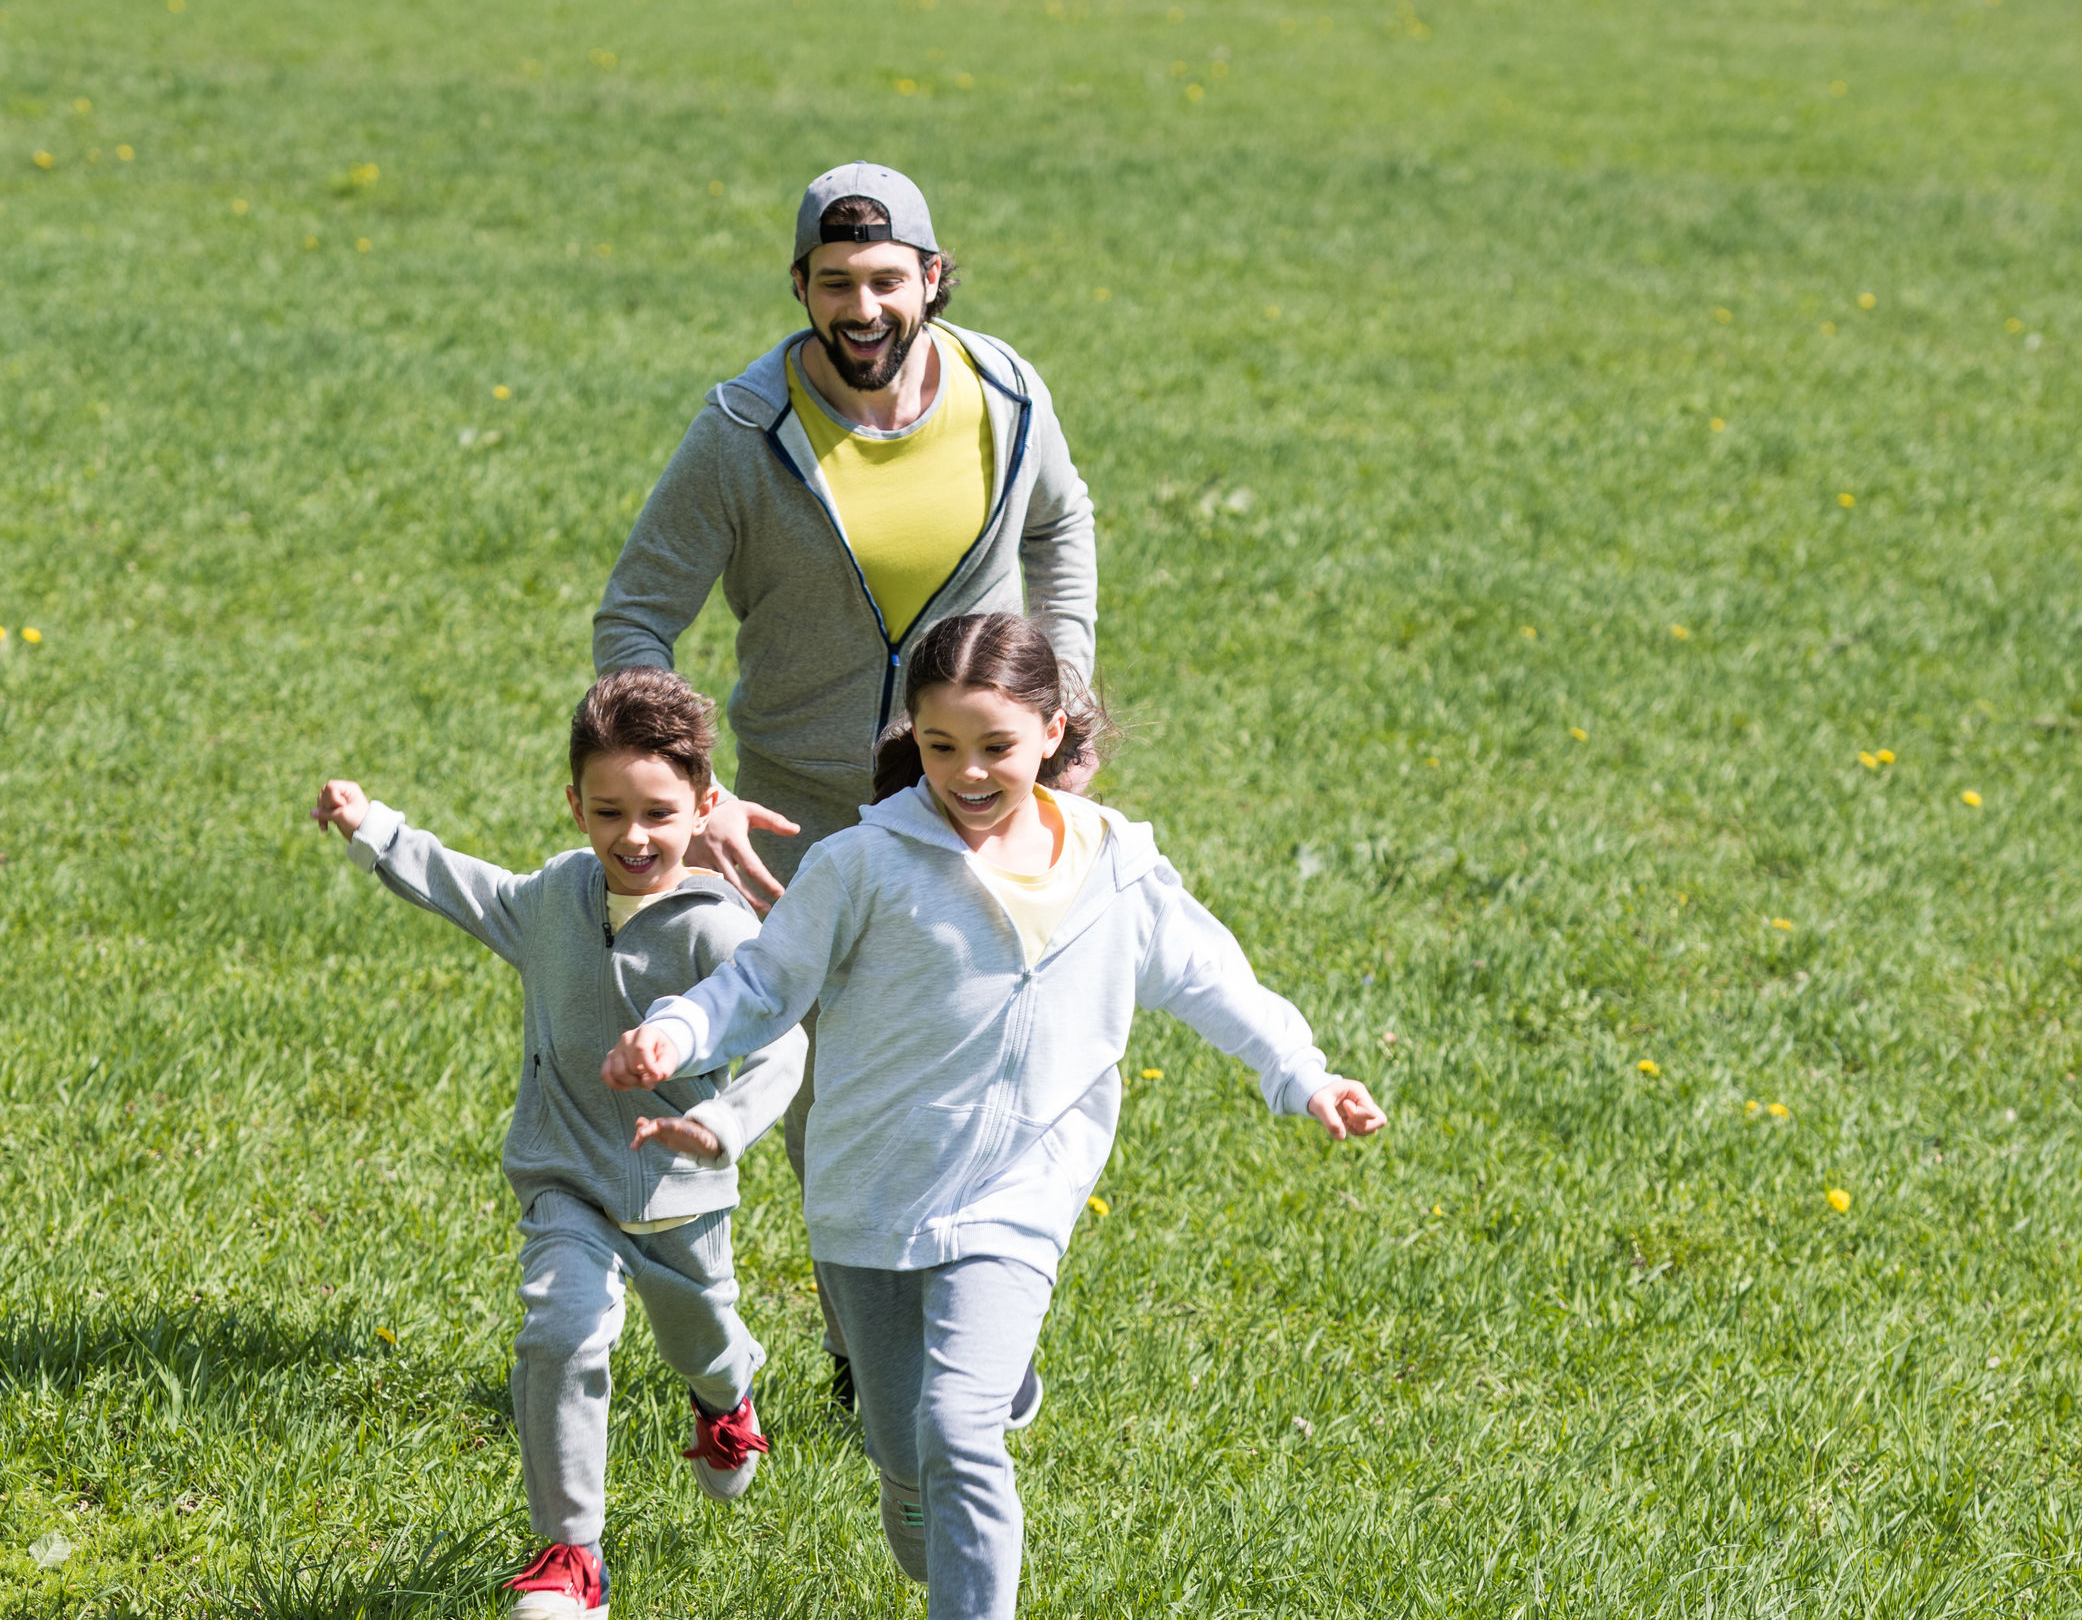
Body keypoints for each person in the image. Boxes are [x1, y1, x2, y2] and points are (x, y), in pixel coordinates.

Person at [602, 614, 1390, 1620]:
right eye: (940, 747)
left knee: (957, 1422)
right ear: (913, 738)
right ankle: (970, 1423)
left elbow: (1206, 974)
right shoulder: (866, 863)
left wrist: (1303, 1072)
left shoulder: (1113, 863)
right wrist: (677, 1030)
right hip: (871, 1195)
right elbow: (762, 981)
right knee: (907, 1463)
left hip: (1022, 1183)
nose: (967, 773)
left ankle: (984, 1407)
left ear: (1052, 731)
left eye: (996, 747)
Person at [594, 161, 1105, 1401]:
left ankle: (983, 1315)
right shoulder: (742, 432)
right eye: (835, 284)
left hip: (977, 792)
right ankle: (864, 1346)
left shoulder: (1008, 396)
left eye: (887, 280)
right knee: (832, 1079)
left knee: (997, 1048)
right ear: (802, 288)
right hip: (806, 808)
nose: (862, 309)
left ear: (931, 279)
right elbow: (635, 620)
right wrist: (696, 792)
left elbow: (1060, 527)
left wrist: (1061, 700)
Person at [308, 670, 806, 1620]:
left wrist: (721, 1124)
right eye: (608, 810)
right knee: (562, 1332)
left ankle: (726, 1406)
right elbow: (469, 889)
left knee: (701, 1341)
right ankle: (570, 1559)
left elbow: (785, 1045)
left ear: (705, 806)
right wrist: (375, 828)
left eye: (659, 813)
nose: (632, 836)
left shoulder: (717, 929)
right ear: (575, 802)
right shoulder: (557, 897)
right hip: (564, 1178)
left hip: (679, 1195)